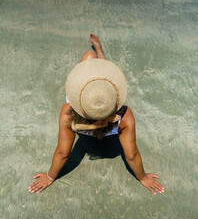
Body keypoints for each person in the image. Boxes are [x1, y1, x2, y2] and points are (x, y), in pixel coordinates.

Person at [29, 34, 164, 195]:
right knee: (103, 73)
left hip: (83, 120)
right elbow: (132, 155)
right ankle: (100, 52)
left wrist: (50, 177)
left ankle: (97, 54)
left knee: (88, 56)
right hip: (108, 128)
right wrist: (142, 177)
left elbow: (63, 153)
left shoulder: (68, 112)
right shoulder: (124, 116)